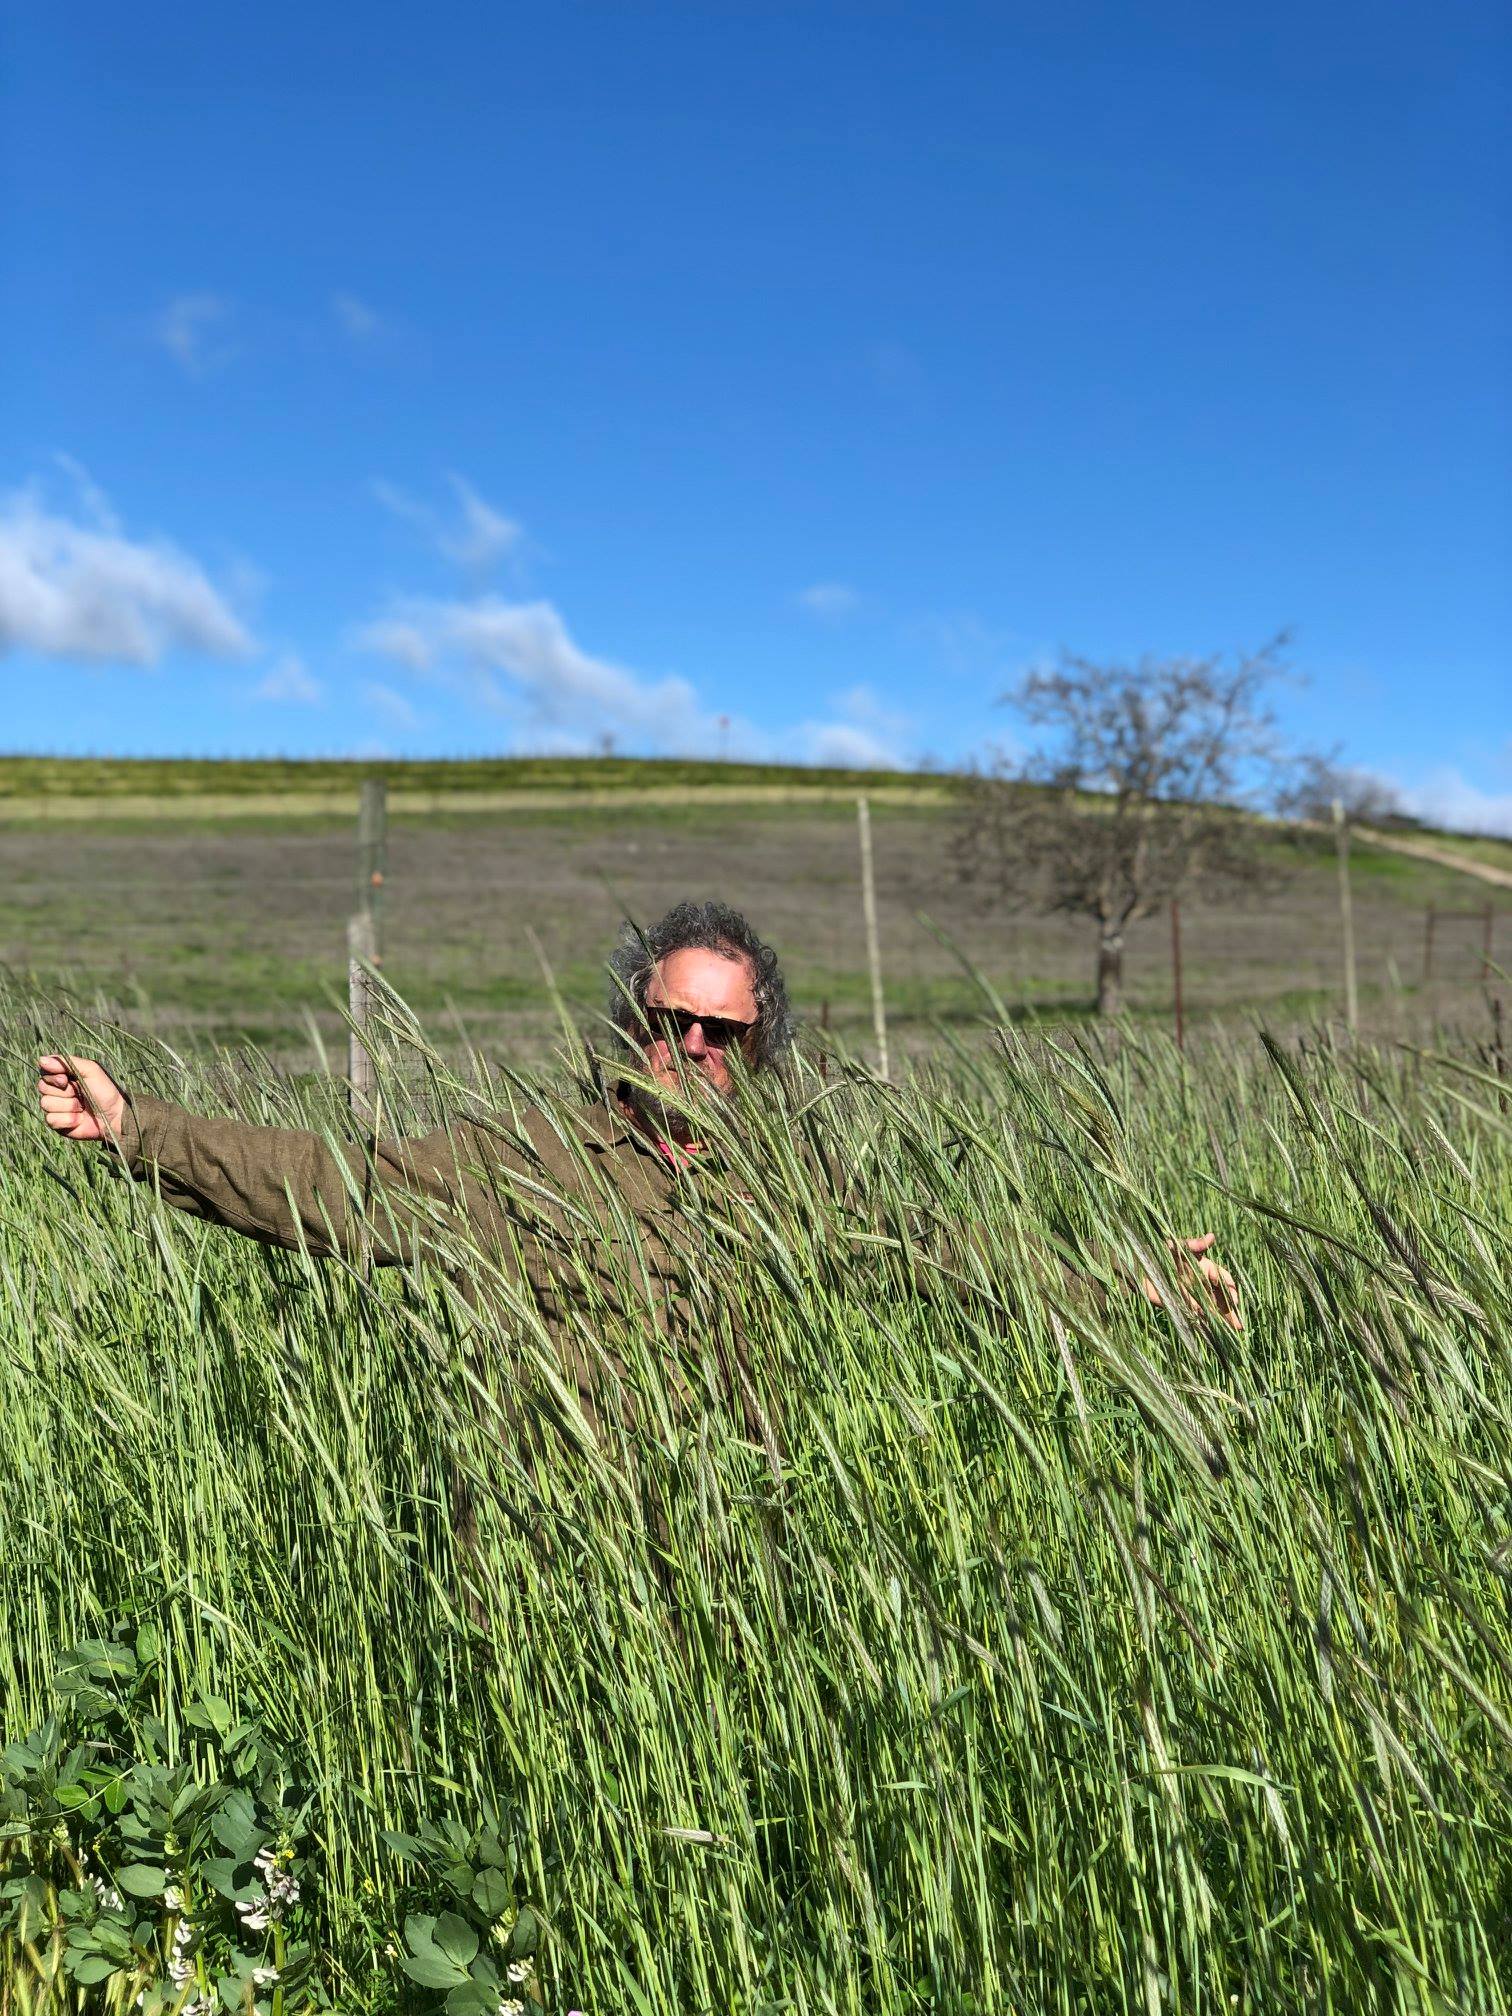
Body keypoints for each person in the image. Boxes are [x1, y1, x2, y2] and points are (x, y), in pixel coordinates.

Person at [35, 897, 1241, 1393]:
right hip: (543, 1591)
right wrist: (142, 1128)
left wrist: (1132, 1291)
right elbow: (336, 1192)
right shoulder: (525, 1160)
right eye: (676, 1021)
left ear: (760, 1047)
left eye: (727, 1032)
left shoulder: (792, 1189)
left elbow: (947, 1256)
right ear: (633, 1019)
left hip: (735, 1596)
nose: (698, 1049)